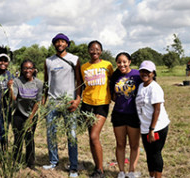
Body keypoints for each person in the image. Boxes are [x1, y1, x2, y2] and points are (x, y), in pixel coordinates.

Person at [42, 33, 82, 178]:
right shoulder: (48, 61)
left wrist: (77, 99)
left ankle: (73, 167)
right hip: (53, 102)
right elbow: (46, 83)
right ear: (54, 44)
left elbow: (79, 81)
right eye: (57, 42)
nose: (60, 44)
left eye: (62, 41)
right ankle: (53, 161)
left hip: (69, 102)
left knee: (71, 134)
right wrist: (43, 103)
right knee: (51, 134)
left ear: (67, 44)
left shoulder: (74, 59)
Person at [80, 40, 113, 178]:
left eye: (97, 49)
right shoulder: (84, 67)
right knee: (91, 138)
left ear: (101, 51)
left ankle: (100, 170)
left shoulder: (107, 65)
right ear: (88, 51)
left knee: (94, 136)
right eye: (92, 49)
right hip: (87, 104)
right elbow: (81, 85)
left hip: (102, 104)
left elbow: (113, 80)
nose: (95, 51)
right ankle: (97, 168)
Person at [135, 60, 170, 178]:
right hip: (145, 127)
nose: (144, 74)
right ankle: (151, 176)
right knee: (149, 154)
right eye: (142, 71)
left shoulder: (154, 88)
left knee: (155, 154)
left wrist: (152, 129)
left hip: (157, 127)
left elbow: (157, 110)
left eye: (147, 72)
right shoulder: (141, 86)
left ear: (153, 73)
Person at [110, 52, 142, 178]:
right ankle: (121, 172)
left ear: (129, 62)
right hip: (118, 114)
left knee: (134, 145)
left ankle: (132, 171)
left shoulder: (137, 74)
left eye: (124, 62)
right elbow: (113, 95)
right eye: (119, 62)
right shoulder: (115, 76)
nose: (121, 64)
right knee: (120, 144)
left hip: (134, 115)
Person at [7, 59, 43, 170]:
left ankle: (30, 164)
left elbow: (38, 101)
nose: (27, 70)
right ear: (22, 70)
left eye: (30, 68)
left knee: (29, 139)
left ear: (34, 70)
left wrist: (31, 118)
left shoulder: (39, 83)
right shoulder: (17, 81)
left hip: (31, 114)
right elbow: (13, 98)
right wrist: (10, 88)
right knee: (18, 138)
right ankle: (15, 163)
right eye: (25, 68)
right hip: (18, 114)